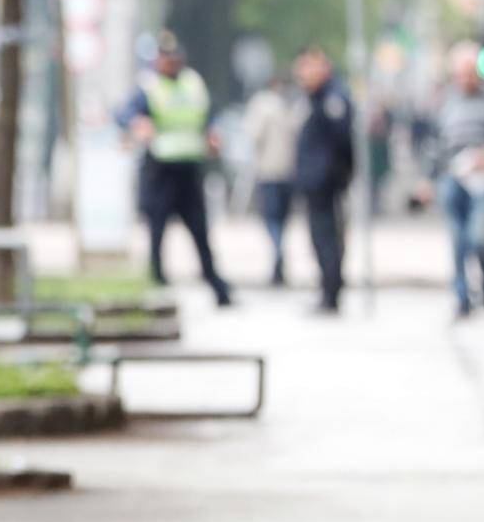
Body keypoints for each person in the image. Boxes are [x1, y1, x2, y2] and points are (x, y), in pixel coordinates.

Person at [116, 31, 232, 305]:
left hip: (189, 169)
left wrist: (213, 133)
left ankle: (216, 285)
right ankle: (158, 283)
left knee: (200, 232)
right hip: (160, 169)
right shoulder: (149, 86)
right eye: (164, 57)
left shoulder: (193, 83)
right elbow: (124, 114)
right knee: (157, 232)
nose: (169, 62)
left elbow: (208, 113)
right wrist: (137, 125)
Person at [418, 41, 484, 318]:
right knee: (457, 238)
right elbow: (434, 144)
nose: (465, 79)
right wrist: (427, 180)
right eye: (460, 73)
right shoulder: (445, 100)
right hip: (453, 177)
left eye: (470, 72)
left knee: (478, 238)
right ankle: (462, 297)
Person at [292, 45, 355, 314]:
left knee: (327, 237)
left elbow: (342, 140)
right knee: (321, 237)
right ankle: (328, 289)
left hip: (325, 180)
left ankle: (331, 292)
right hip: (316, 179)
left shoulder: (332, 97)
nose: (303, 74)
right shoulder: (316, 97)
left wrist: (339, 173)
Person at [244, 77, 300, 286]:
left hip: (268, 170)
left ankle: (277, 252)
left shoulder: (262, 106)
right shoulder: (292, 106)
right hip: (289, 171)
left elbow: (254, 135)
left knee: (271, 218)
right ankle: (279, 252)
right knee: (282, 220)